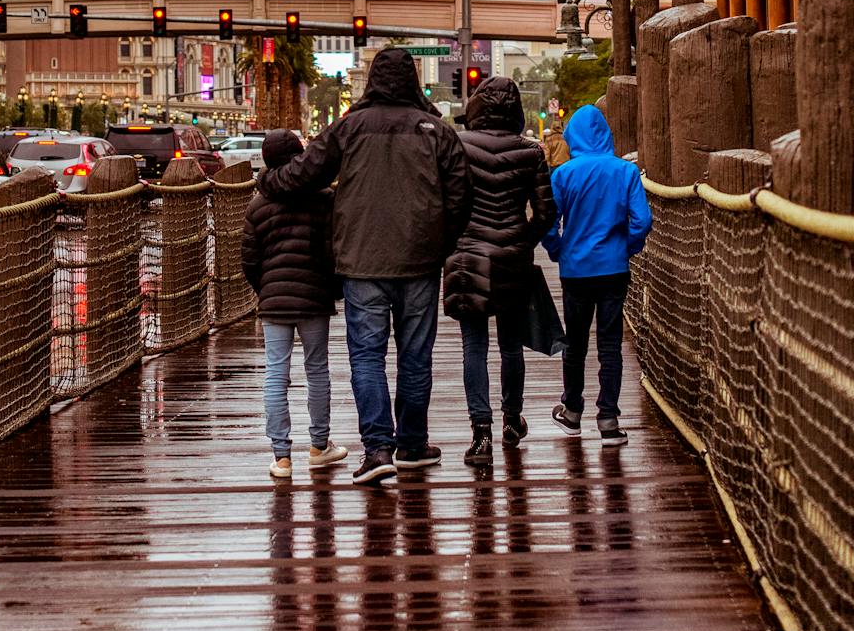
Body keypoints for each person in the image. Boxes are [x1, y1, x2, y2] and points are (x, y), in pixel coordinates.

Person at [260, 47, 473, 485]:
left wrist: (266, 180)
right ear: (413, 81)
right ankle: (413, 444)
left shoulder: (348, 128)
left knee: (367, 357)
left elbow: (304, 173)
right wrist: (439, 243)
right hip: (419, 262)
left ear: (372, 81)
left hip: (361, 262)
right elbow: (461, 198)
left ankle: (377, 449)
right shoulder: (436, 130)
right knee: (415, 357)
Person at [442, 76, 556, 464]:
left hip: (467, 257)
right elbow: (546, 213)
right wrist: (522, 239)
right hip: (512, 257)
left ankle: (481, 434)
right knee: (511, 345)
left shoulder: (457, 147)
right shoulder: (531, 152)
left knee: (473, 347)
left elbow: (444, 203)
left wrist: (454, 241)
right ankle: (511, 418)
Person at [242, 130, 348, 479]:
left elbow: (250, 261)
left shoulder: (257, 206)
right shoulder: (323, 199)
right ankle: (319, 445)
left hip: (273, 301)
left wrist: (266, 291)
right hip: (314, 297)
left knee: (276, 372)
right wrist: (332, 287)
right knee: (317, 369)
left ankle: (281, 456)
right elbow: (334, 249)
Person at [543, 104, 651, 446]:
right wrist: (627, 248)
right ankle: (608, 418)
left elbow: (547, 221)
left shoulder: (563, 174)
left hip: (575, 269)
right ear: (606, 134)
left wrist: (557, 249)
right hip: (613, 268)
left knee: (574, 343)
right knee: (610, 345)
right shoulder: (626, 172)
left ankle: (572, 411)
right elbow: (642, 221)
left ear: (574, 136)